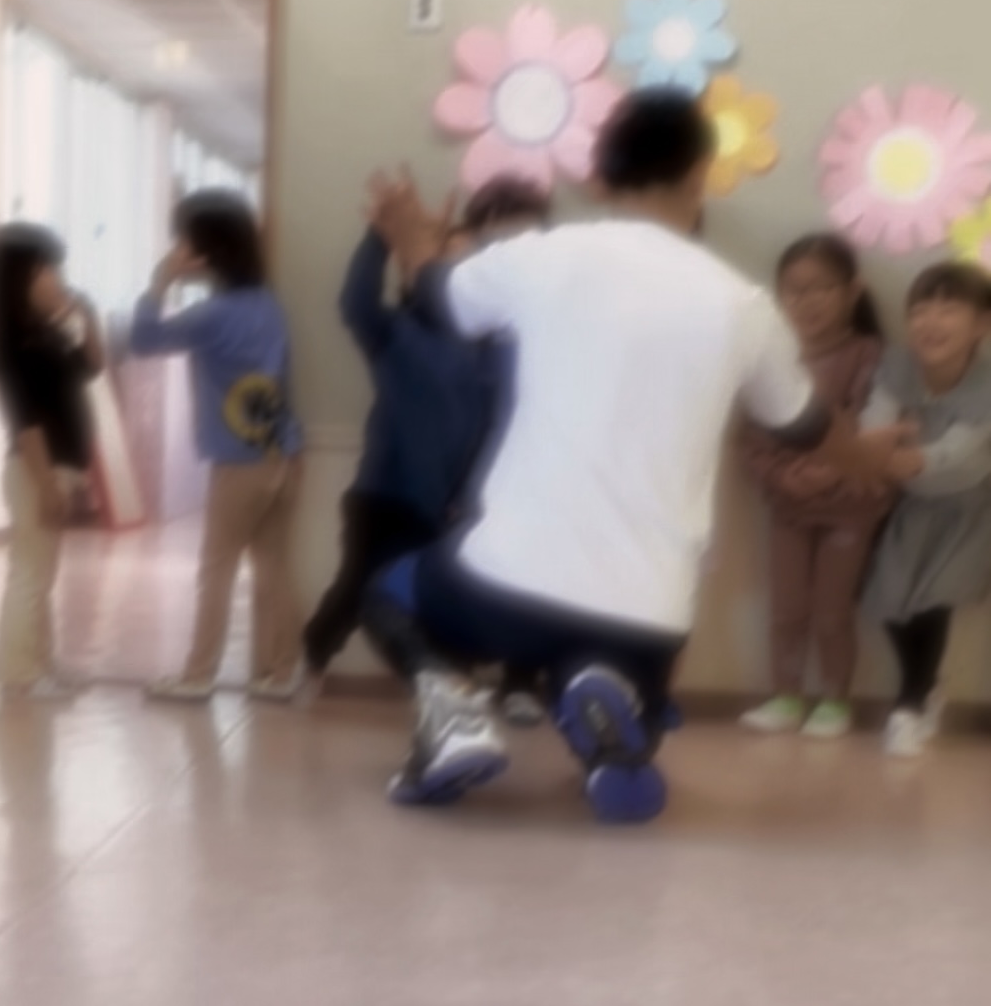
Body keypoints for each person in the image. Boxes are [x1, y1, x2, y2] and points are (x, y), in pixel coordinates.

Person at [361, 91, 903, 825]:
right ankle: (604, 694)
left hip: (506, 581)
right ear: (700, 174)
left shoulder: (544, 257)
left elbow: (435, 295)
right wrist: (870, 458)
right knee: (616, 705)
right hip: (649, 614)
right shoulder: (741, 305)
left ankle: (450, 706)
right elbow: (806, 425)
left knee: (388, 592)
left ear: (599, 174)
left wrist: (409, 234)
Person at [301, 175, 550, 690]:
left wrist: (468, 497)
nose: (449, 270)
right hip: (383, 500)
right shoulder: (393, 330)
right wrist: (382, 236)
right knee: (356, 593)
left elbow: (494, 424)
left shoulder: (491, 344)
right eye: (440, 259)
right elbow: (354, 302)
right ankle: (310, 662)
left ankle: (452, 689)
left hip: (449, 507)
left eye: (462, 264)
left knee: (440, 608)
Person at [129, 190, 304, 703]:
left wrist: (160, 281)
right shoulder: (269, 305)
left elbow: (143, 340)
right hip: (284, 454)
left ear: (206, 251)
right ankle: (282, 672)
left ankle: (198, 674)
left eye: (184, 241)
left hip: (238, 463)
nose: (178, 250)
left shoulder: (212, 315)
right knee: (274, 567)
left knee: (217, 569)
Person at [740, 234, 890, 740]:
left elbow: (871, 426)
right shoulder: (771, 357)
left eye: (821, 288)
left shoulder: (869, 355)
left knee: (832, 612)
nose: (806, 301)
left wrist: (830, 472)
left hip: (850, 509)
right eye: (794, 289)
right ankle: (785, 696)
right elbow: (751, 437)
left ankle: (835, 701)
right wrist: (782, 476)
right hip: (788, 506)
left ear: (853, 291)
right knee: (785, 611)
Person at [860, 261, 991, 759]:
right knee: (892, 601)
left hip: (968, 509)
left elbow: (961, 450)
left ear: (981, 325)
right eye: (920, 309)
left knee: (934, 601)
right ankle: (927, 687)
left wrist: (903, 459)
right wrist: (875, 452)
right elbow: (875, 421)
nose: (930, 321)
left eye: (949, 308)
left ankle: (909, 705)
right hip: (913, 503)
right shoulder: (897, 365)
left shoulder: (986, 383)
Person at [0, 221, 104, 698]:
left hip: (59, 467)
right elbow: (25, 423)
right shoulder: (14, 344)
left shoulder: (47, 333)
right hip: (37, 470)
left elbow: (92, 365)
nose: (56, 278)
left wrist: (83, 314)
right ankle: (19, 673)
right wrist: (48, 483)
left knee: (41, 573)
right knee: (31, 574)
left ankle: (42, 665)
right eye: (45, 269)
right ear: (19, 277)